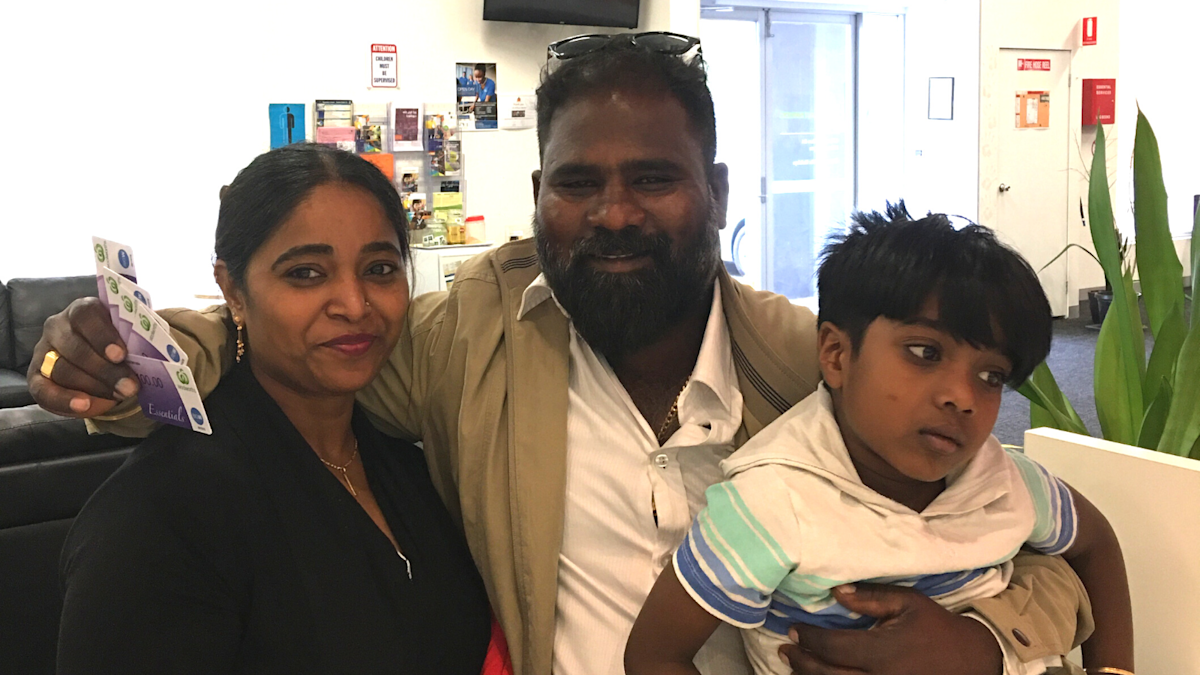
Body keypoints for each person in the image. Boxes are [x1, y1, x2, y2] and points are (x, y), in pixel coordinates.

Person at [30, 35, 1092, 675]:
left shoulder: (811, 364)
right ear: (540, 196)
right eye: (579, 183)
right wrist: (137, 354)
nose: (614, 213)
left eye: (653, 179)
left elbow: (1019, 539)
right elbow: (314, 344)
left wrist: (981, 646)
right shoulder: (467, 344)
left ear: (717, 191)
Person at [625, 205, 1134, 675]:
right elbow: (654, 653)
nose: (962, 397)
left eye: (991, 376)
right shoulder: (772, 503)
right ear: (836, 354)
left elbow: (1097, 543)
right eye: (925, 352)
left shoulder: (1005, 481)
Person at [55, 144, 496, 674]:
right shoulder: (166, 511)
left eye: (380, 268)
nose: (354, 304)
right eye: (306, 273)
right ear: (233, 291)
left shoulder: (407, 463)